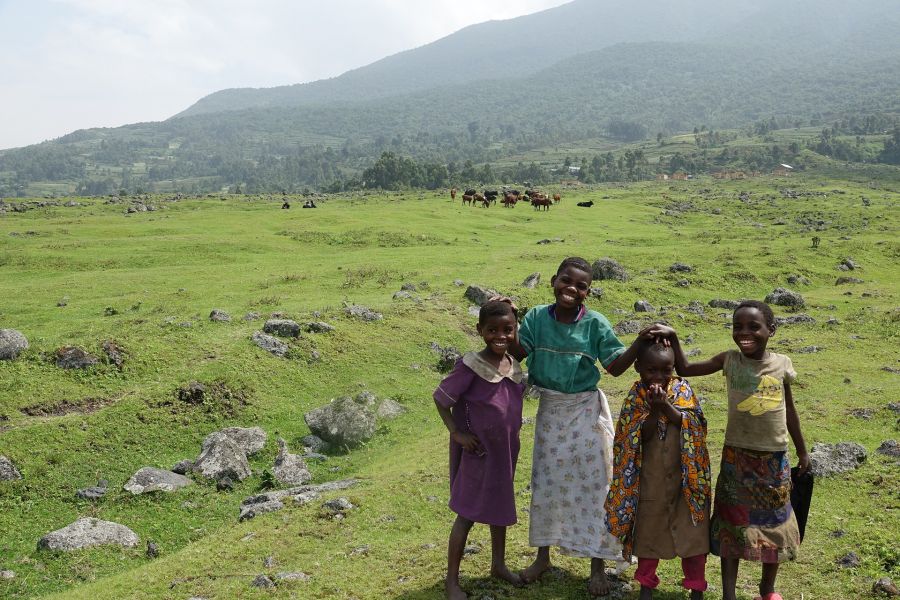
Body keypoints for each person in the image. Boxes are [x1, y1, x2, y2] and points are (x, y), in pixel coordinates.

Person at [507, 256, 651, 597]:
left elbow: (615, 366)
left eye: (581, 286)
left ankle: (597, 565)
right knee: (547, 483)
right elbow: (518, 352)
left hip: (585, 410)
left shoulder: (596, 323)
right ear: (554, 280)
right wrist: (510, 320)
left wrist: (640, 341)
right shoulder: (538, 318)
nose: (572, 289)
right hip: (550, 410)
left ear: (588, 291)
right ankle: (543, 557)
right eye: (566, 281)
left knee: (595, 484)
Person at [649, 300, 809, 600]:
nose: (744, 332)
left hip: (774, 459)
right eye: (737, 327)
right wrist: (672, 336)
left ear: (771, 330)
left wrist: (802, 451)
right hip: (737, 457)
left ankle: (767, 588)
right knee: (732, 524)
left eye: (753, 327)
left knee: (774, 523)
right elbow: (684, 369)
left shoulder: (782, 364)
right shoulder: (730, 360)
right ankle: (728, 594)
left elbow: (790, 411)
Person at [434, 300, 526, 600]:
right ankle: (451, 582)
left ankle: (498, 564)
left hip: (506, 452)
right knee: (467, 513)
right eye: (492, 330)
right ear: (480, 331)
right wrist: (457, 433)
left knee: (499, 506)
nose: (500, 335)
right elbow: (441, 399)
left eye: (507, 329)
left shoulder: (513, 365)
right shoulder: (471, 365)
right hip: (479, 453)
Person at [605, 341, 711, 600]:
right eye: (652, 370)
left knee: (693, 535)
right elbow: (636, 437)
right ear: (639, 368)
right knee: (648, 532)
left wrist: (665, 406)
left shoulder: (683, 389)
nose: (659, 377)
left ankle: (696, 587)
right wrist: (653, 410)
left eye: (666, 370)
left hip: (686, 479)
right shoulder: (635, 396)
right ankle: (646, 586)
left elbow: (696, 425)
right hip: (650, 480)